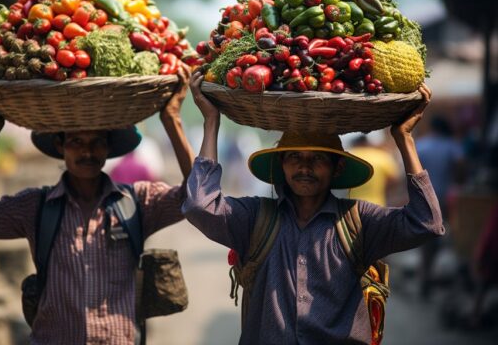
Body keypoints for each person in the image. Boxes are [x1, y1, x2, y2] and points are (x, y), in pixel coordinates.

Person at [183, 71, 444, 344]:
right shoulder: (255, 218)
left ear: (337, 167)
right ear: (281, 165)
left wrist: (404, 138)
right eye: (294, 157)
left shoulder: (359, 221)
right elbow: (199, 206)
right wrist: (211, 122)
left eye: (317, 158)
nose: (304, 167)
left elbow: (426, 222)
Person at [0, 68, 194, 344]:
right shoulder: (37, 207)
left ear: (108, 149)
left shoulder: (137, 202)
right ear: (61, 146)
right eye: (76, 142)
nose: (87, 152)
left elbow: (197, 198)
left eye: (97, 143)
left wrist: (172, 121)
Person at [416, 116, 465, 298]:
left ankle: (425, 276)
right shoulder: (452, 145)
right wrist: (456, 180)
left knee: (425, 238)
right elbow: (461, 166)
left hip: (423, 199)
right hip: (444, 197)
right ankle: (431, 275)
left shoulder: (421, 145)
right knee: (440, 236)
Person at [349, 134, 400, 206]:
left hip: (352, 208)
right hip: (377, 206)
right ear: (368, 143)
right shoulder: (381, 156)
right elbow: (394, 179)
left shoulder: (349, 157)